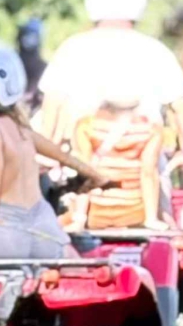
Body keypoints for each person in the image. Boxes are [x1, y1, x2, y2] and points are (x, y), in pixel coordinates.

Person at [0, 45, 107, 261]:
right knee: (74, 269)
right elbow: (64, 157)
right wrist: (95, 177)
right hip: (47, 233)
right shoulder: (20, 129)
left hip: (6, 234)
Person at [35, 0, 183, 166]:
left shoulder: (71, 49)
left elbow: (51, 114)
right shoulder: (155, 50)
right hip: (143, 168)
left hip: (84, 166)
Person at [68, 85, 170, 231]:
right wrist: (151, 219)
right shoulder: (150, 129)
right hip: (134, 213)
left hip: (96, 213)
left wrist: (79, 218)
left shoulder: (87, 126)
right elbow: (148, 173)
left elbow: (84, 171)